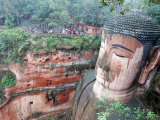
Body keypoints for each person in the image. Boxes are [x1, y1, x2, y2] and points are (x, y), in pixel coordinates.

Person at [72, 10, 160, 120]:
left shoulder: (141, 116)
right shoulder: (86, 80)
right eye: (102, 47)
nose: (102, 64)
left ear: (150, 62)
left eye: (119, 54)